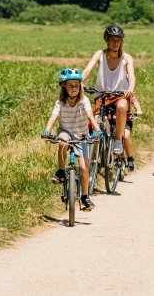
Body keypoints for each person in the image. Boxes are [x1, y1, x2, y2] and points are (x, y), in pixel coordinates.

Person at [41, 68, 102, 211]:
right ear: (64, 86)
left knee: (83, 167)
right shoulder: (60, 102)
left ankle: (85, 196)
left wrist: (97, 131)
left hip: (82, 135)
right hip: (66, 131)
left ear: (80, 86)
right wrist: (47, 130)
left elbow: (90, 116)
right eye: (70, 85)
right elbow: (53, 117)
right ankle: (61, 171)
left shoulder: (84, 100)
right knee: (62, 141)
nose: (74, 88)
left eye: (76, 85)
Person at [82, 24, 140, 170]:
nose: (116, 43)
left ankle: (118, 140)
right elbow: (87, 70)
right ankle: (93, 161)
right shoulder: (99, 55)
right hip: (101, 95)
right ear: (106, 40)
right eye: (113, 40)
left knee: (122, 106)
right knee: (97, 124)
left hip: (120, 95)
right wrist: (80, 81)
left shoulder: (126, 58)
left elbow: (132, 77)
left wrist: (130, 89)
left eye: (119, 40)